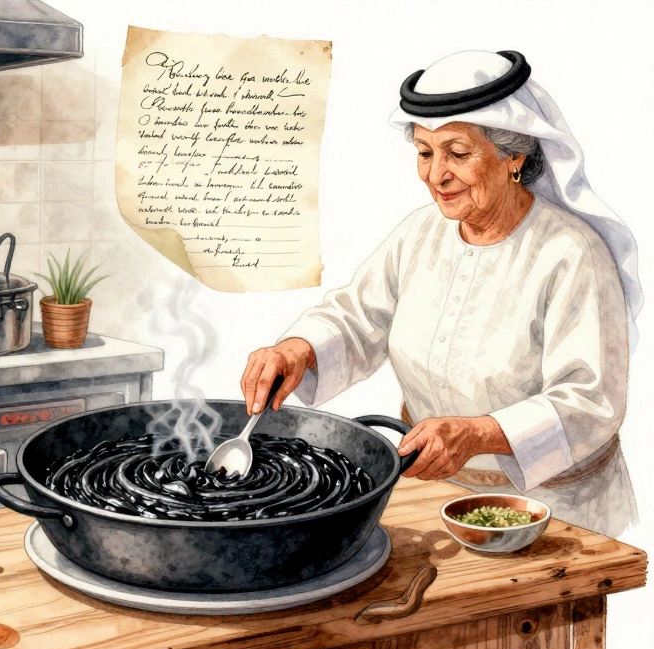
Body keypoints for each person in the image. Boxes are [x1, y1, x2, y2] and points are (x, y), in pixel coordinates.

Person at [239, 50, 641, 537]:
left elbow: (589, 401)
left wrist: (478, 434)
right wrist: (296, 349)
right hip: (432, 491)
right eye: (425, 153)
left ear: (514, 156)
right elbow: (359, 316)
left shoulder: (571, 253)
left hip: (554, 512)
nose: (436, 175)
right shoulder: (421, 233)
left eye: (458, 152)